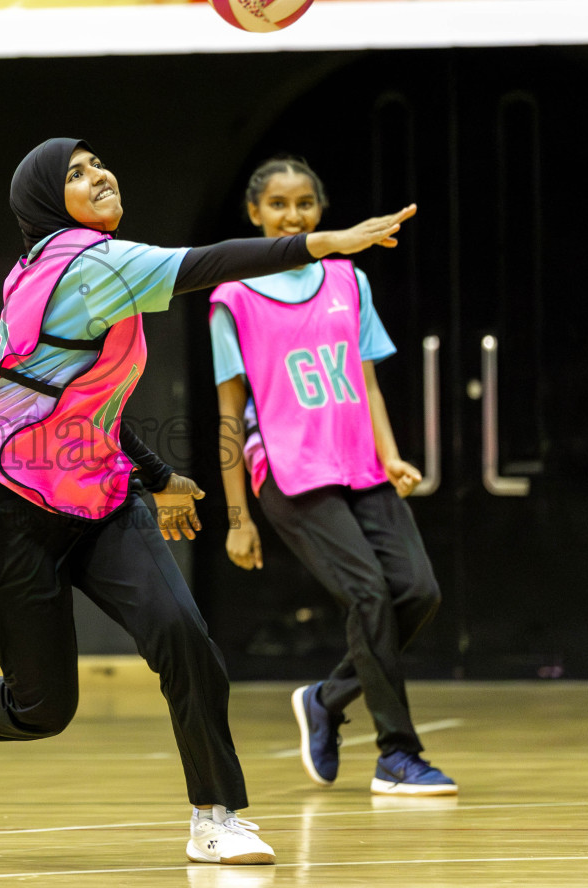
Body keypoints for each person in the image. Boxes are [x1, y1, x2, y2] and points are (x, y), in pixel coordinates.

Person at [0, 138, 414, 864]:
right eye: (75, 173)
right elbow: (209, 264)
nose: (98, 173)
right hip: (10, 512)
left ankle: (217, 816)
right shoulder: (86, 265)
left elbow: (84, 408)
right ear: (48, 203)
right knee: (41, 710)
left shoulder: (63, 267)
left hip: (100, 495)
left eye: (98, 162)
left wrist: (156, 477)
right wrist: (322, 243)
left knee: (183, 636)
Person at [209, 156, 454, 797]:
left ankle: (326, 698)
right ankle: (398, 755)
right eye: (279, 205)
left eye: (305, 204)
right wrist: (237, 519)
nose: (293, 215)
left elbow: (365, 378)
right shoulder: (231, 297)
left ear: (319, 209)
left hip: (359, 462)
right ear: (255, 213)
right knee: (370, 595)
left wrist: (391, 452)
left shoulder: (349, 280)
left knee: (417, 592)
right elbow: (229, 416)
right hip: (288, 472)